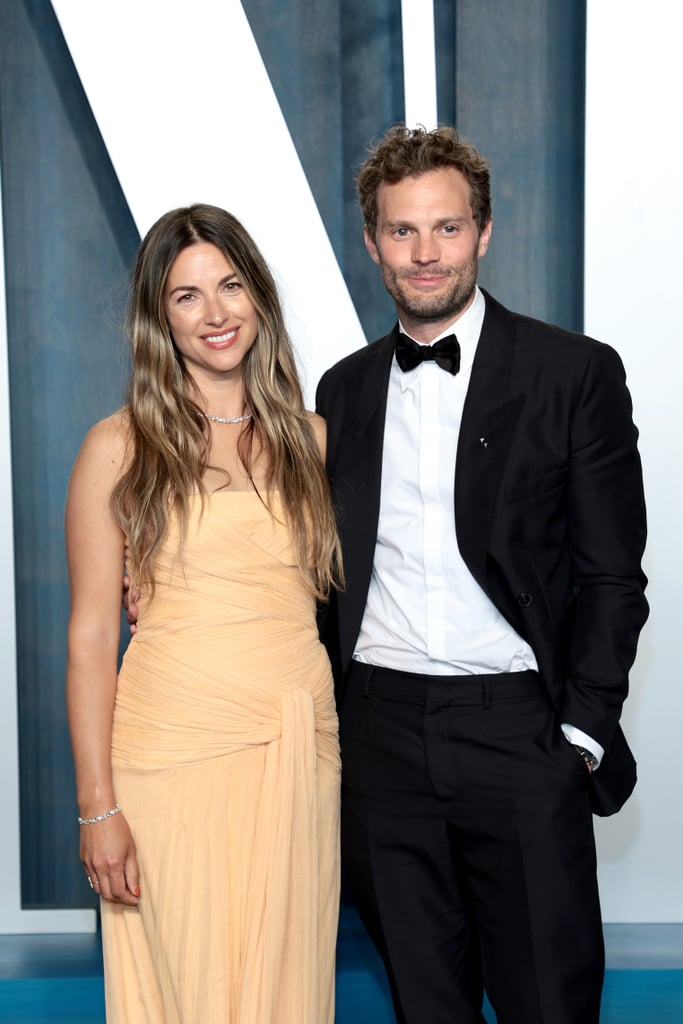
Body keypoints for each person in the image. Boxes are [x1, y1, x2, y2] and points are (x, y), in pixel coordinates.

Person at [315, 125, 648, 1024]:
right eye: (401, 231)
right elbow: (314, 567)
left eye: (447, 228)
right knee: (426, 1006)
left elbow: (614, 577)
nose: (425, 255)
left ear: (484, 232)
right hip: (380, 737)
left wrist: (576, 735)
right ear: (372, 241)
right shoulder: (340, 392)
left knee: (549, 1001)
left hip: (518, 735)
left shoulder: (571, 373)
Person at [66, 204, 342, 1023]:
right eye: (186, 296)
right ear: (159, 318)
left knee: (290, 996)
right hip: (174, 757)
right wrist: (97, 807)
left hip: (300, 749)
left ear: (258, 296)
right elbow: (89, 640)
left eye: (229, 286)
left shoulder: (315, 442)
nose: (215, 314)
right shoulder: (117, 448)